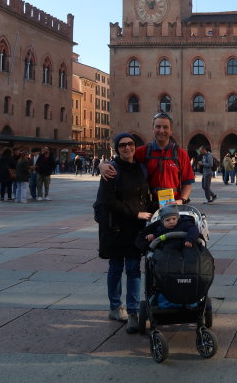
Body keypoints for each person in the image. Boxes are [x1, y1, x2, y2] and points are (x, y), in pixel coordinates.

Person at [97, 133, 156, 334]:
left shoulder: (140, 168)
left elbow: (145, 196)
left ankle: (132, 312)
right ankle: (115, 307)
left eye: (130, 144)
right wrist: (136, 213)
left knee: (132, 268)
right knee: (115, 267)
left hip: (135, 228)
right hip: (116, 228)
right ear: (116, 148)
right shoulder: (111, 170)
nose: (127, 148)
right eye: (122, 145)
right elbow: (108, 201)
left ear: (134, 147)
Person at [100, 113, 195, 205]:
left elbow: (187, 182)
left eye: (165, 127)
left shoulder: (181, 154)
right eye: (158, 127)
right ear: (153, 129)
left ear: (171, 130)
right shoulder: (142, 152)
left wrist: (182, 200)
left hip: (174, 205)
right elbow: (121, 161)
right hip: (149, 205)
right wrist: (102, 165)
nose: (161, 131)